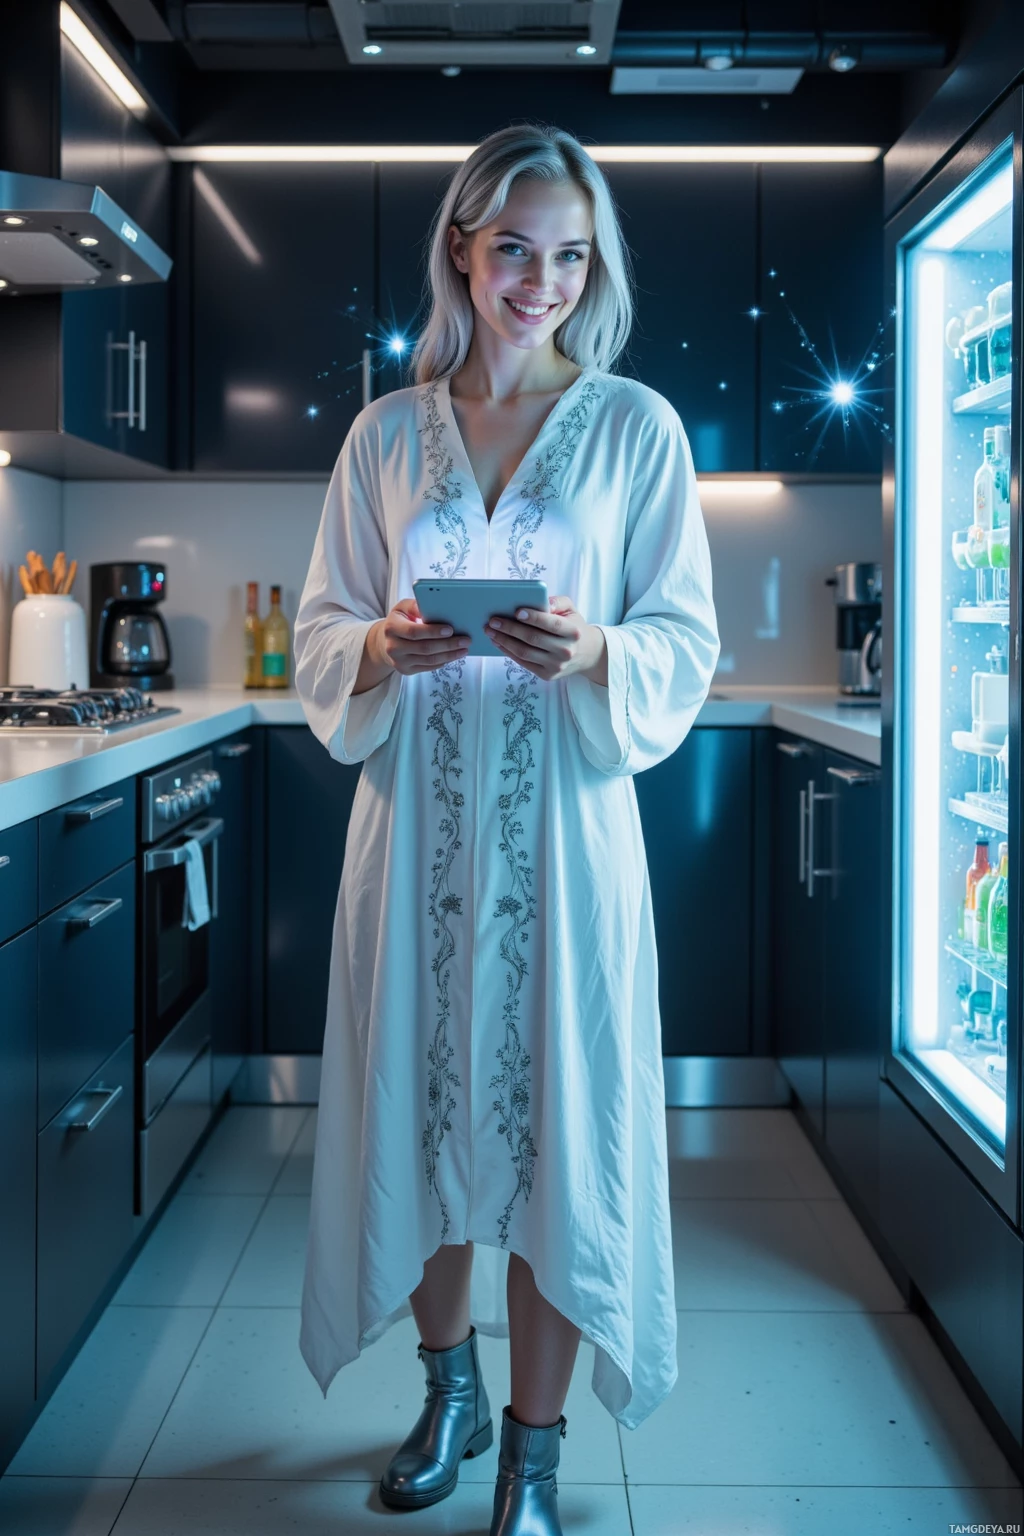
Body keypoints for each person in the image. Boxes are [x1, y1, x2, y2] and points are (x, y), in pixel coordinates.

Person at [293, 121, 720, 1536]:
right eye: (516, 250)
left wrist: (595, 650)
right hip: (413, 835)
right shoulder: (381, 436)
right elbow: (322, 624)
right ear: (465, 248)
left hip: (569, 846)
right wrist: (381, 651)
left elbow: (684, 635)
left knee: (550, 1134)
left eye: (570, 255)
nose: (541, 281)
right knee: (419, 1119)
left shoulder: (636, 429)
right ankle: (446, 1390)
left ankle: (534, 1454)